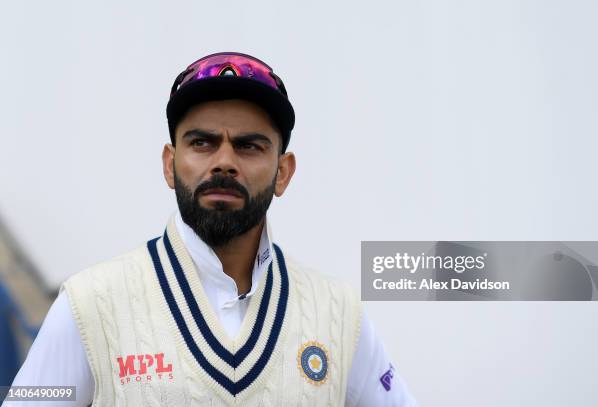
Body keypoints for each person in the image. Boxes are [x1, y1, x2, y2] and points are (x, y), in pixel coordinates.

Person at [4, 52, 418, 406]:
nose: (223, 161)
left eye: (249, 145)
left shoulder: (339, 313)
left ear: (283, 172)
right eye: (202, 142)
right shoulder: (88, 304)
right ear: (170, 164)